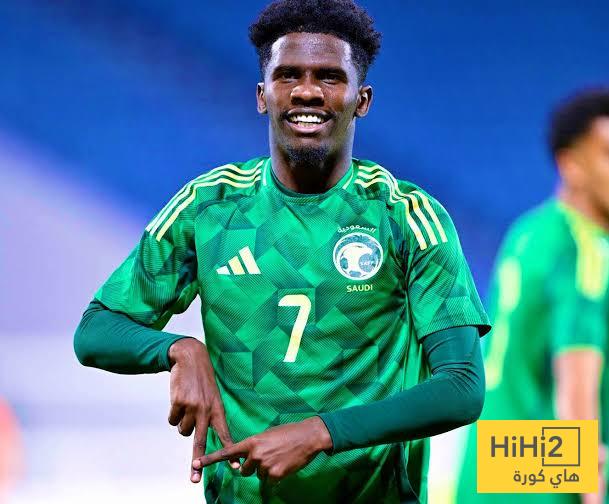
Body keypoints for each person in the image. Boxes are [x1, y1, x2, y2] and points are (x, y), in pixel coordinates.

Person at [74, 1, 490, 502]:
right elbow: (95, 330)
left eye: (330, 77)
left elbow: (462, 386)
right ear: (262, 95)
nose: (307, 91)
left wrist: (319, 432)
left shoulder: (405, 217)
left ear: (361, 99)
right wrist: (178, 349)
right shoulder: (209, 207)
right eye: (288, 75)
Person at [457, 88, 609, 504]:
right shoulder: (583, 249)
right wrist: (592, 494)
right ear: (571, 165)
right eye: (607, 155)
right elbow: (576, 388)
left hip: (489, 462)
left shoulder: (528, 232)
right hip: (545, 476)